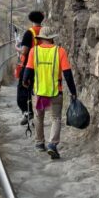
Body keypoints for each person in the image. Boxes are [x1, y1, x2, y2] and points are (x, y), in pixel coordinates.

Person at [22, 23, 77, 160]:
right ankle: (52, 144)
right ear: (52, 38)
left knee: (39, 117)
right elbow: (68, 74)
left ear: (40, 38)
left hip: (40, 93)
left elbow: (27, 71)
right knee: (56, 118)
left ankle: (40, 143)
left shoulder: (34, 51)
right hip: (55, 93)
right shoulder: (60, 51)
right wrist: (73, 91)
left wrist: (25, 82)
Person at [15, 10, 44, 125]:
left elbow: (24, 51)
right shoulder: (45, 32)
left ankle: (27, 112)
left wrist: (17, 48)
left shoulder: (29, 33)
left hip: (29, 65)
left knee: (23, 89)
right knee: (38, 91)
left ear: (31, 20)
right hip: (43, 65)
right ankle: (38, 115)